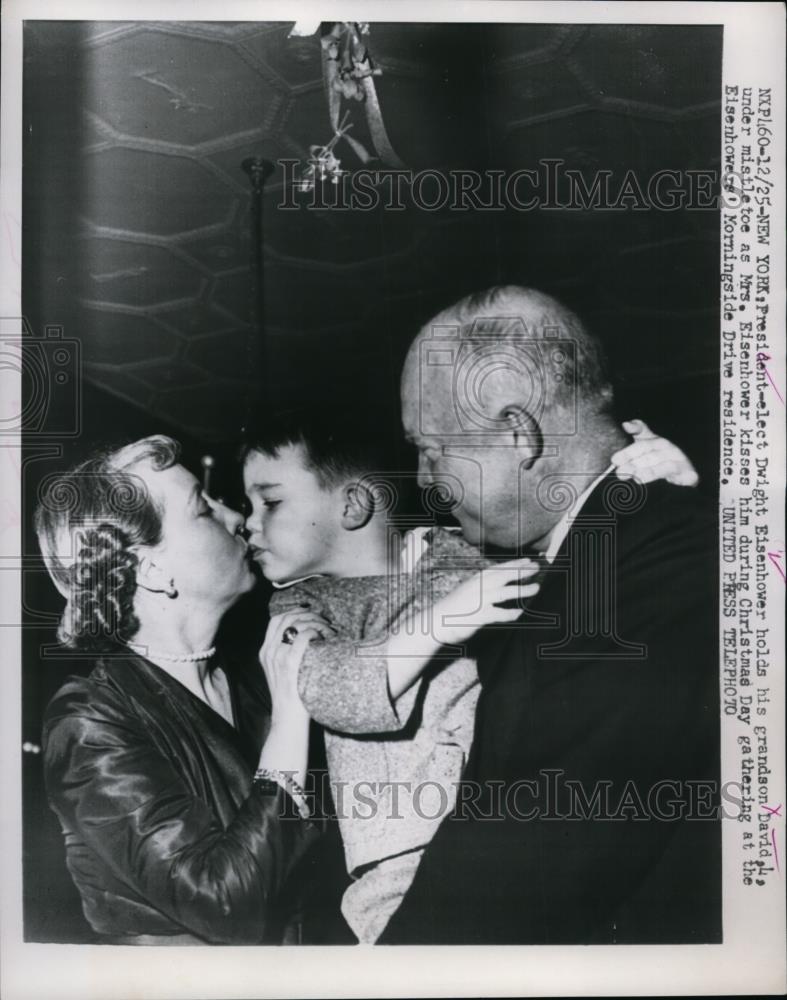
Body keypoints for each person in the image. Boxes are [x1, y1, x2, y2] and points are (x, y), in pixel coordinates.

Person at [240, 406, 702, 943]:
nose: (249, 520)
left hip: (520, 825)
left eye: (269, 501)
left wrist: (661, 485)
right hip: (399, 872)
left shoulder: (462, 551)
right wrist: (448, 618)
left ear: (353, 504)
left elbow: (574, 580)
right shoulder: (300, 607)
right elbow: (329, 689)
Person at [375, 285, 721, 945]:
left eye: (432, 449)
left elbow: (520, 878)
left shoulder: (652, 570)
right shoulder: (605, 555)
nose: (423, 480)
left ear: (518, 435)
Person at [37, 435, 333, 945]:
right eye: (203, 509)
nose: (236, 516)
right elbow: (224, 903)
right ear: (152, 570)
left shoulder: (253, 677)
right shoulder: (89, 721)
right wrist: (289, 719)